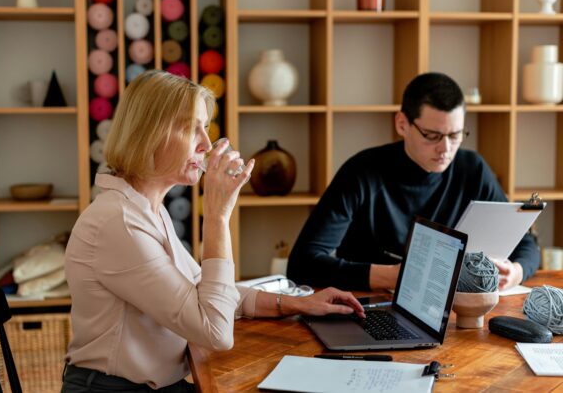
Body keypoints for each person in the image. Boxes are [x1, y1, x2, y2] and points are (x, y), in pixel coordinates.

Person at [62, 71, 364, 393]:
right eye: (190, 127)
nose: (205, 144)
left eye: (204, 127)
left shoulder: (146, 209)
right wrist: (218, 216)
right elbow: (215, 330)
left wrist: (299, 304)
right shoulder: (119, 222)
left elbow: (210, 294)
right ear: (148, 133)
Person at [287, 72, 540, 292]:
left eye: (455, 135)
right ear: (402, 124)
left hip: (448, 314)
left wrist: (516, 272)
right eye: (432, 136)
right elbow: (302, 264)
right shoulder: (362, 173)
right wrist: (393, 276)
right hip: (367, 307)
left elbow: (526, 244)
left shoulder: (472, 169)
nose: (446, 149)